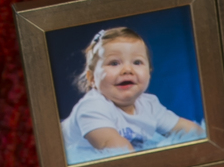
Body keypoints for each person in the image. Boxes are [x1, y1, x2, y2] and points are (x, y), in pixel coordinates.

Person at [60, 27, 203, 156]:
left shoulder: (149, 104)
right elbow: (116, 149)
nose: (127, 70)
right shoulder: (92, 107)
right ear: (92, 78)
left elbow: (185, 129)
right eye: (114, 63)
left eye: (137, 62)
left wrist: (208, 139)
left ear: (149, 72)